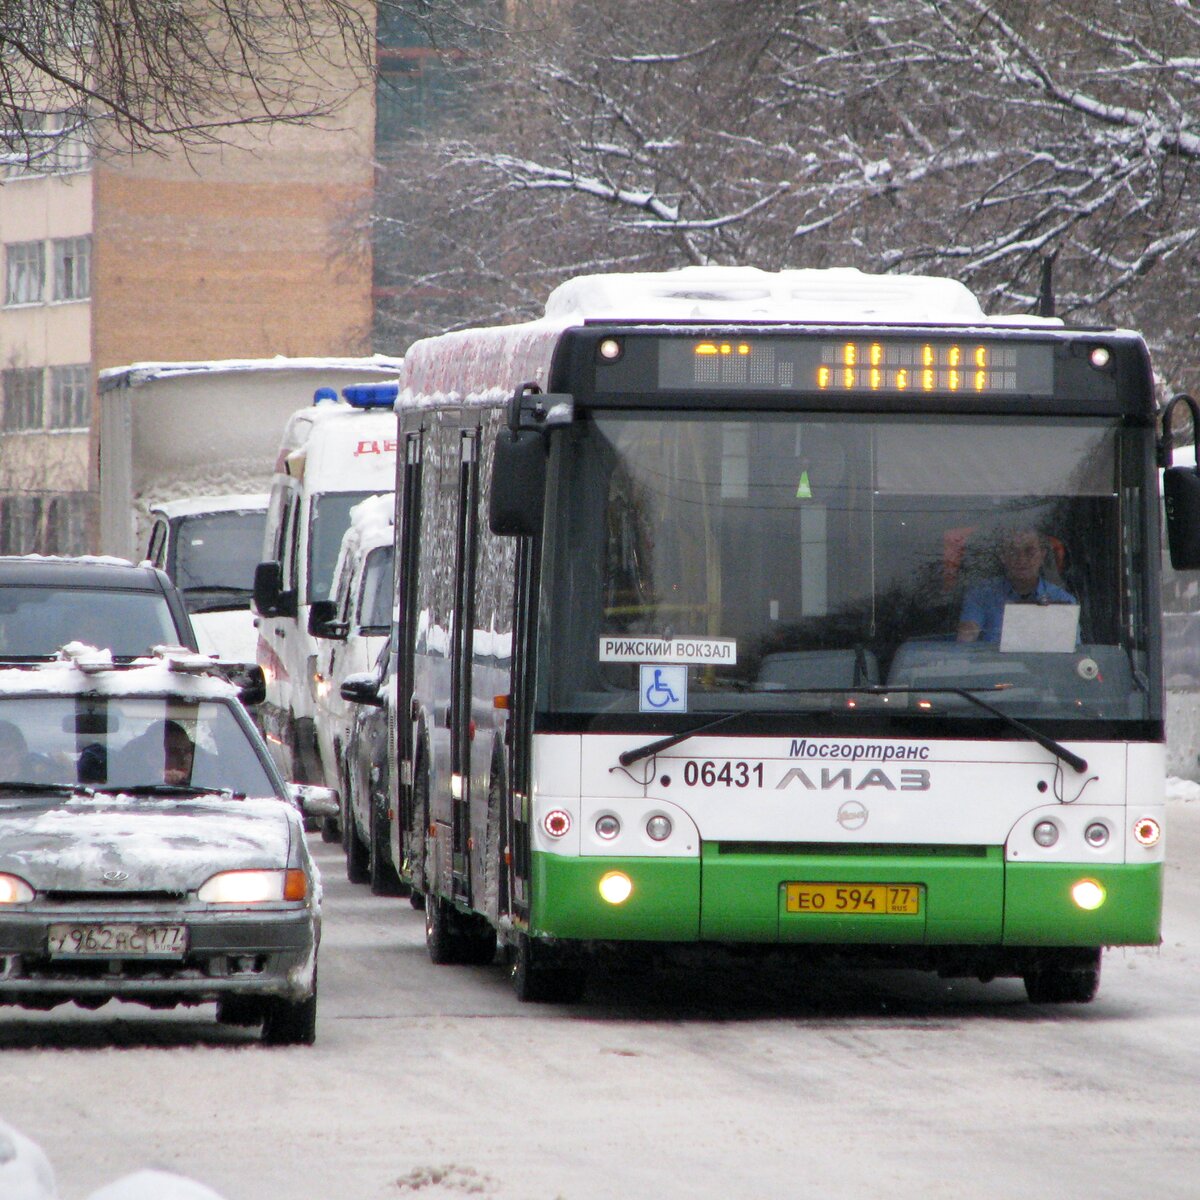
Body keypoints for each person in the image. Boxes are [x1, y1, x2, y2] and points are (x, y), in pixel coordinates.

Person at [957, 525, 1076, 644]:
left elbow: (1072, 654)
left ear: (1042, 555)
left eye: (1030, 551)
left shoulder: (1063, 600)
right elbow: (967, 636)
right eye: (1013, 551)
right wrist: (968, 632)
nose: (1022, 559)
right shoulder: (981, 595)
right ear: (1003, 556)